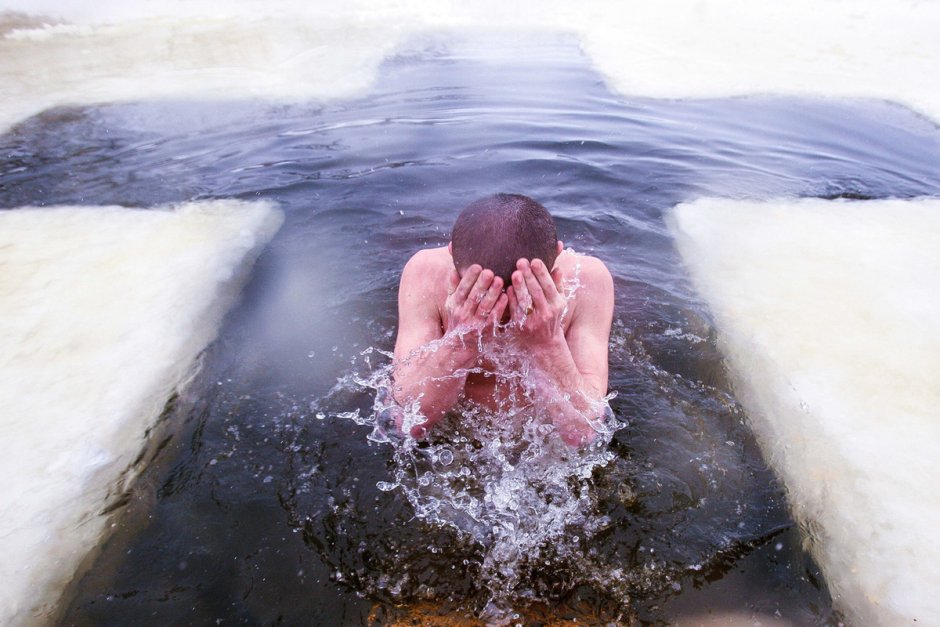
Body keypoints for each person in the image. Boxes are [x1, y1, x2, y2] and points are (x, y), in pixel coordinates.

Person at [391, 193, 614, 447]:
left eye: (522, 297)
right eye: (484, 296)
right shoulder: (426, 274)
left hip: (542, 441)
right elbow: (406, 423)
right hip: (453, 438)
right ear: (452, 258)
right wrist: (459, 341)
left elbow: (584, 434)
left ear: (557, 258)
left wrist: (548, 344)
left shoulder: (589, 281)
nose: (500, 317)